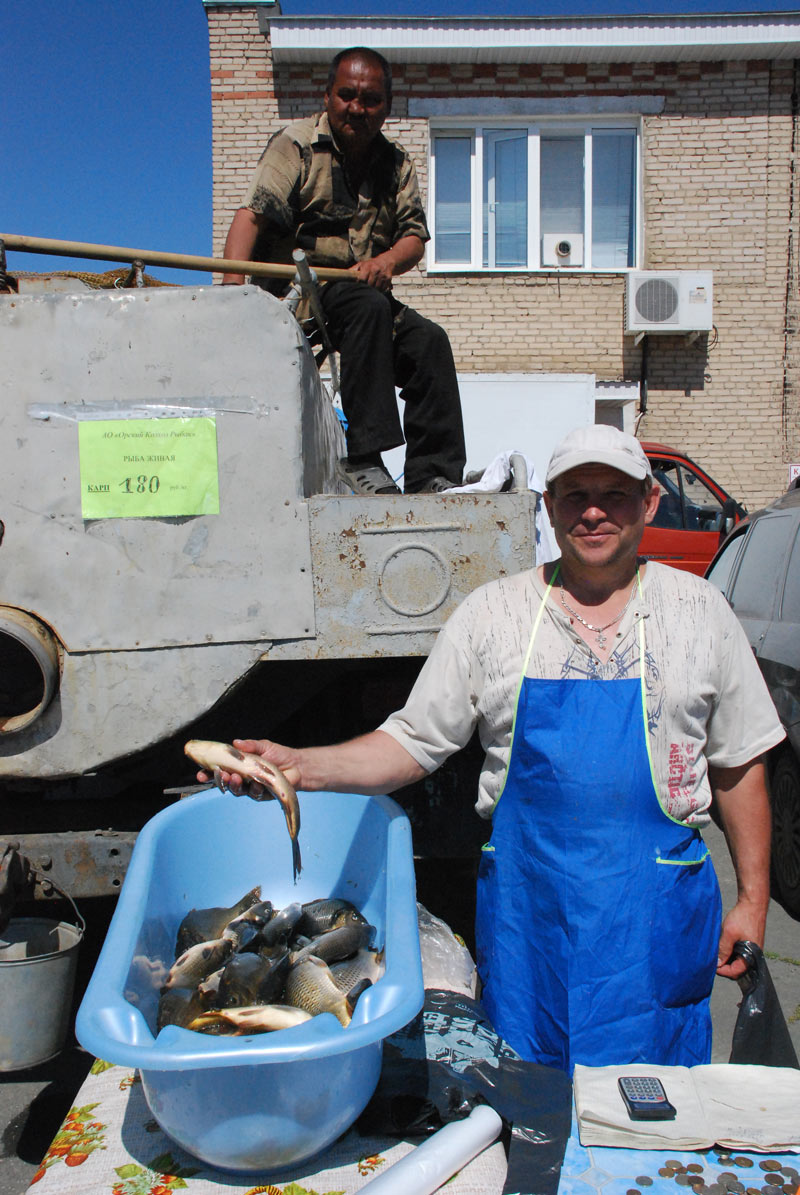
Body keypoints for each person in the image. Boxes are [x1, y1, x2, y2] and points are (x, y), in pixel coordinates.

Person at [201, 425, 785, 1072]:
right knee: (534, 1120)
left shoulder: (700, 613)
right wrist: (300, 766)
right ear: (548, 506)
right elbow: (412, 742)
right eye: (574, 495)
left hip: (653, 930)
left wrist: (752, 899)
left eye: (615, 495)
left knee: (651, 1125)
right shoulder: (493, 616)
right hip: (530, 928)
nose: (594, 511)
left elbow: (739, 765)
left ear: (649, 503)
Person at [221, 46, 466, 496]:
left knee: (429, 342)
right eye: (347, 95)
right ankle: (364, 460)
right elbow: (250, 217)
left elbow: (414, 237)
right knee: (367, 306)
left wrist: (386, 262)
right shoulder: (294, 145)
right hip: (299, 295)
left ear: (386, 107)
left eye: (370, 99)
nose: (357, 108)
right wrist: (231, 298)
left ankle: (433, 475)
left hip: (363, 292)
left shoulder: (396, 165)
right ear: (328, 96)